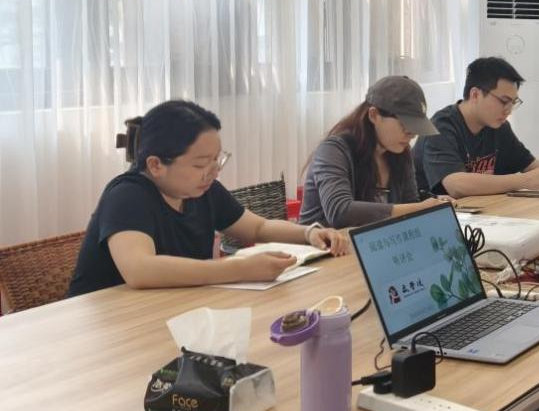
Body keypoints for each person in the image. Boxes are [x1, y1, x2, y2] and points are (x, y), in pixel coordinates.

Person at [68, 101, 350, 297]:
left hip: (165, 309)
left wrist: (309, 233)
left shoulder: (200, 190)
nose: (213, 172)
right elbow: (140, 270)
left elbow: (258, 228)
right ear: (155, 165)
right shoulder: (127, 195)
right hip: (109, 325)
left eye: (217, 160)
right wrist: (238, 269)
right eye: (201, 164)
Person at [299, 76, 452, 229]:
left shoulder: (400, 153)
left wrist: (432, 204)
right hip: (322, 242)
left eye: (416, 126)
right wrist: (419, 209)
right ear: (373, 115)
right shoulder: (333, 150)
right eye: (405, 124)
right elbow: (340, 212)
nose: (411, 133)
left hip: (372, 241)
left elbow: (409, 203)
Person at [416, 57, 539, 197]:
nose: (508, 110)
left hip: (484, 212)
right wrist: (523, 181)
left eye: (513, 103)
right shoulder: (441, 126)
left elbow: (528, 165)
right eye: (504, 101)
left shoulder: (498, 126)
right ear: (475, 95)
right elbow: (456, 185)